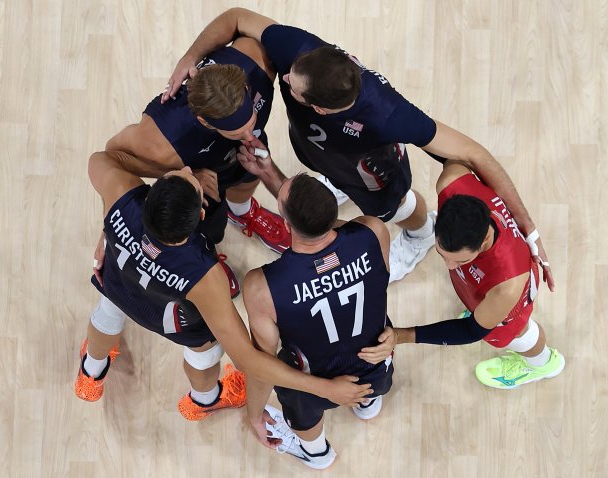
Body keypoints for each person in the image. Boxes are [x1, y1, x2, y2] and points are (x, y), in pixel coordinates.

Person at [163, 8, 554, 288]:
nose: (284, 79)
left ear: (317, 106)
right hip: (325, 157)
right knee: (325, 179)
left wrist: (530, 232)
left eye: (291, 89)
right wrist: (190, 57)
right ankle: (334, 182)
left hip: (372, 175)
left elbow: (476, 154)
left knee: (397, 205)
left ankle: (419, 235)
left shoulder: (390, 114)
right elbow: (235, 18)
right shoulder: (302, 53)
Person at [74, 151, 374, 422]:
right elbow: (245, 358)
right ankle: (206, 399)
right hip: (173, 320)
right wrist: (324, 387)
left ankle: (92, 371)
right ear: (201, 217)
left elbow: (100, 158)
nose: (188, 166)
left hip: (118, 286)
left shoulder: (119, 192)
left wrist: (108, 230)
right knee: (204, 351)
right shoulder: (205, 277)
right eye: (189, 175)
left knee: (106, 315)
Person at [97, 36, 291, 297]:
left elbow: (236, 16)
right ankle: (208, 256)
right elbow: (112, 157)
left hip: (239, 161)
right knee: (204, 230)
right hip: (200, 183)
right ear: (206, 122)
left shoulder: (255, 59)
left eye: (251, 120)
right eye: (236, 131)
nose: (249, 136)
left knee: (246, 180)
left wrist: (190, 55)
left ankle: (243, 212)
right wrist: (179, 175)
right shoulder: (158, 138)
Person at [240, 170, 396, 469]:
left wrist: (254, 412)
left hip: (311, 384)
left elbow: (262, 365)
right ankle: (367, 404)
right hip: (377, 364)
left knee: (302, 411)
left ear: (286, 224)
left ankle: (316, 453)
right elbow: (346, 240)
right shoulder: (373, 231)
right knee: (372, 376)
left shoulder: (261, 287)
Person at [364, 162, 564, 389]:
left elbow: (471, 331)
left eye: (461, 260)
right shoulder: (451, 182)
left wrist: (400, 336)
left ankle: (542, 364)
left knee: (519, 333)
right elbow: (459, 154)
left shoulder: (506, 286)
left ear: (485, 241)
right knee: (479, 305)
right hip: (487, 292)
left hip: (508, 306)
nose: (450, 266)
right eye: (442, 254)